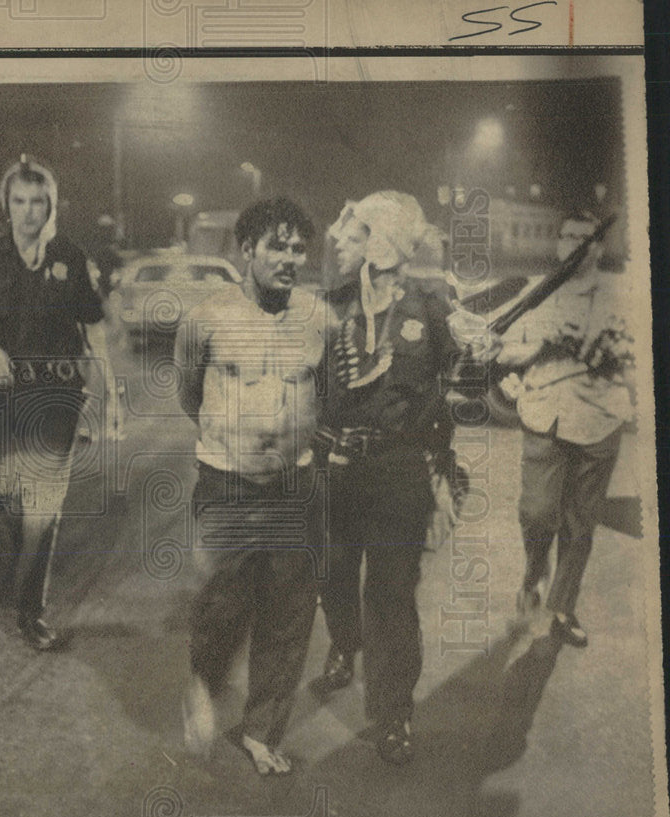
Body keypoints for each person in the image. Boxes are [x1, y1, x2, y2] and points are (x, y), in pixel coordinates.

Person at [316, 191, 493, 765]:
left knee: (391, 596)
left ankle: (393, 714)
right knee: (335, 574)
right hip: (337, 469)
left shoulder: (431, 306)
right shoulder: (334, 304)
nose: (348, 243)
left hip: (399, 473)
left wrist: (481, 356)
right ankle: (346, 642)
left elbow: (468, 383)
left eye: (360, 232)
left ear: (385, 241)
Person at [175, 197, 333, 776]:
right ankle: (204, 682)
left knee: (290, 611)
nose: (291, 258)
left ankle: (262, 730)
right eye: (278, 246)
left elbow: (328, 394)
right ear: (248, 250)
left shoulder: (318, 318)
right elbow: (189, 394)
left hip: (295, 485)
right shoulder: (207, 318)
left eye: (299, 248)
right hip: (228, 484)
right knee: (222, 602)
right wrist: (230, 442)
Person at [0, 155, 112, 651]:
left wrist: (112, 390)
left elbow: (95, 326)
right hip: (1, 394)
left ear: (51, 205)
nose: (28, 211)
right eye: (19, 201)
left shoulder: (70, 256)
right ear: (6, 205)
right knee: (7, 499)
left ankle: (30, 612)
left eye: (37, 202)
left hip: (57, 393)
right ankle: (22, 567)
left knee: (44, 504)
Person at [496, 211, 634, 647]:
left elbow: (635, 358)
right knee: (536, 512)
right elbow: (500, 349)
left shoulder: (620, 295)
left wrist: (603, 350)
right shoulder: (538, 291)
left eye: (585, 238)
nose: (575, 245)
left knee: (580, 524)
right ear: (559, 246)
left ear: (596, 248)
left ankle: (562, 607)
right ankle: (535, 573)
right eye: (568, 236)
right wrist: (537, 345)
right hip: (544, 415)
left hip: (599, 419)